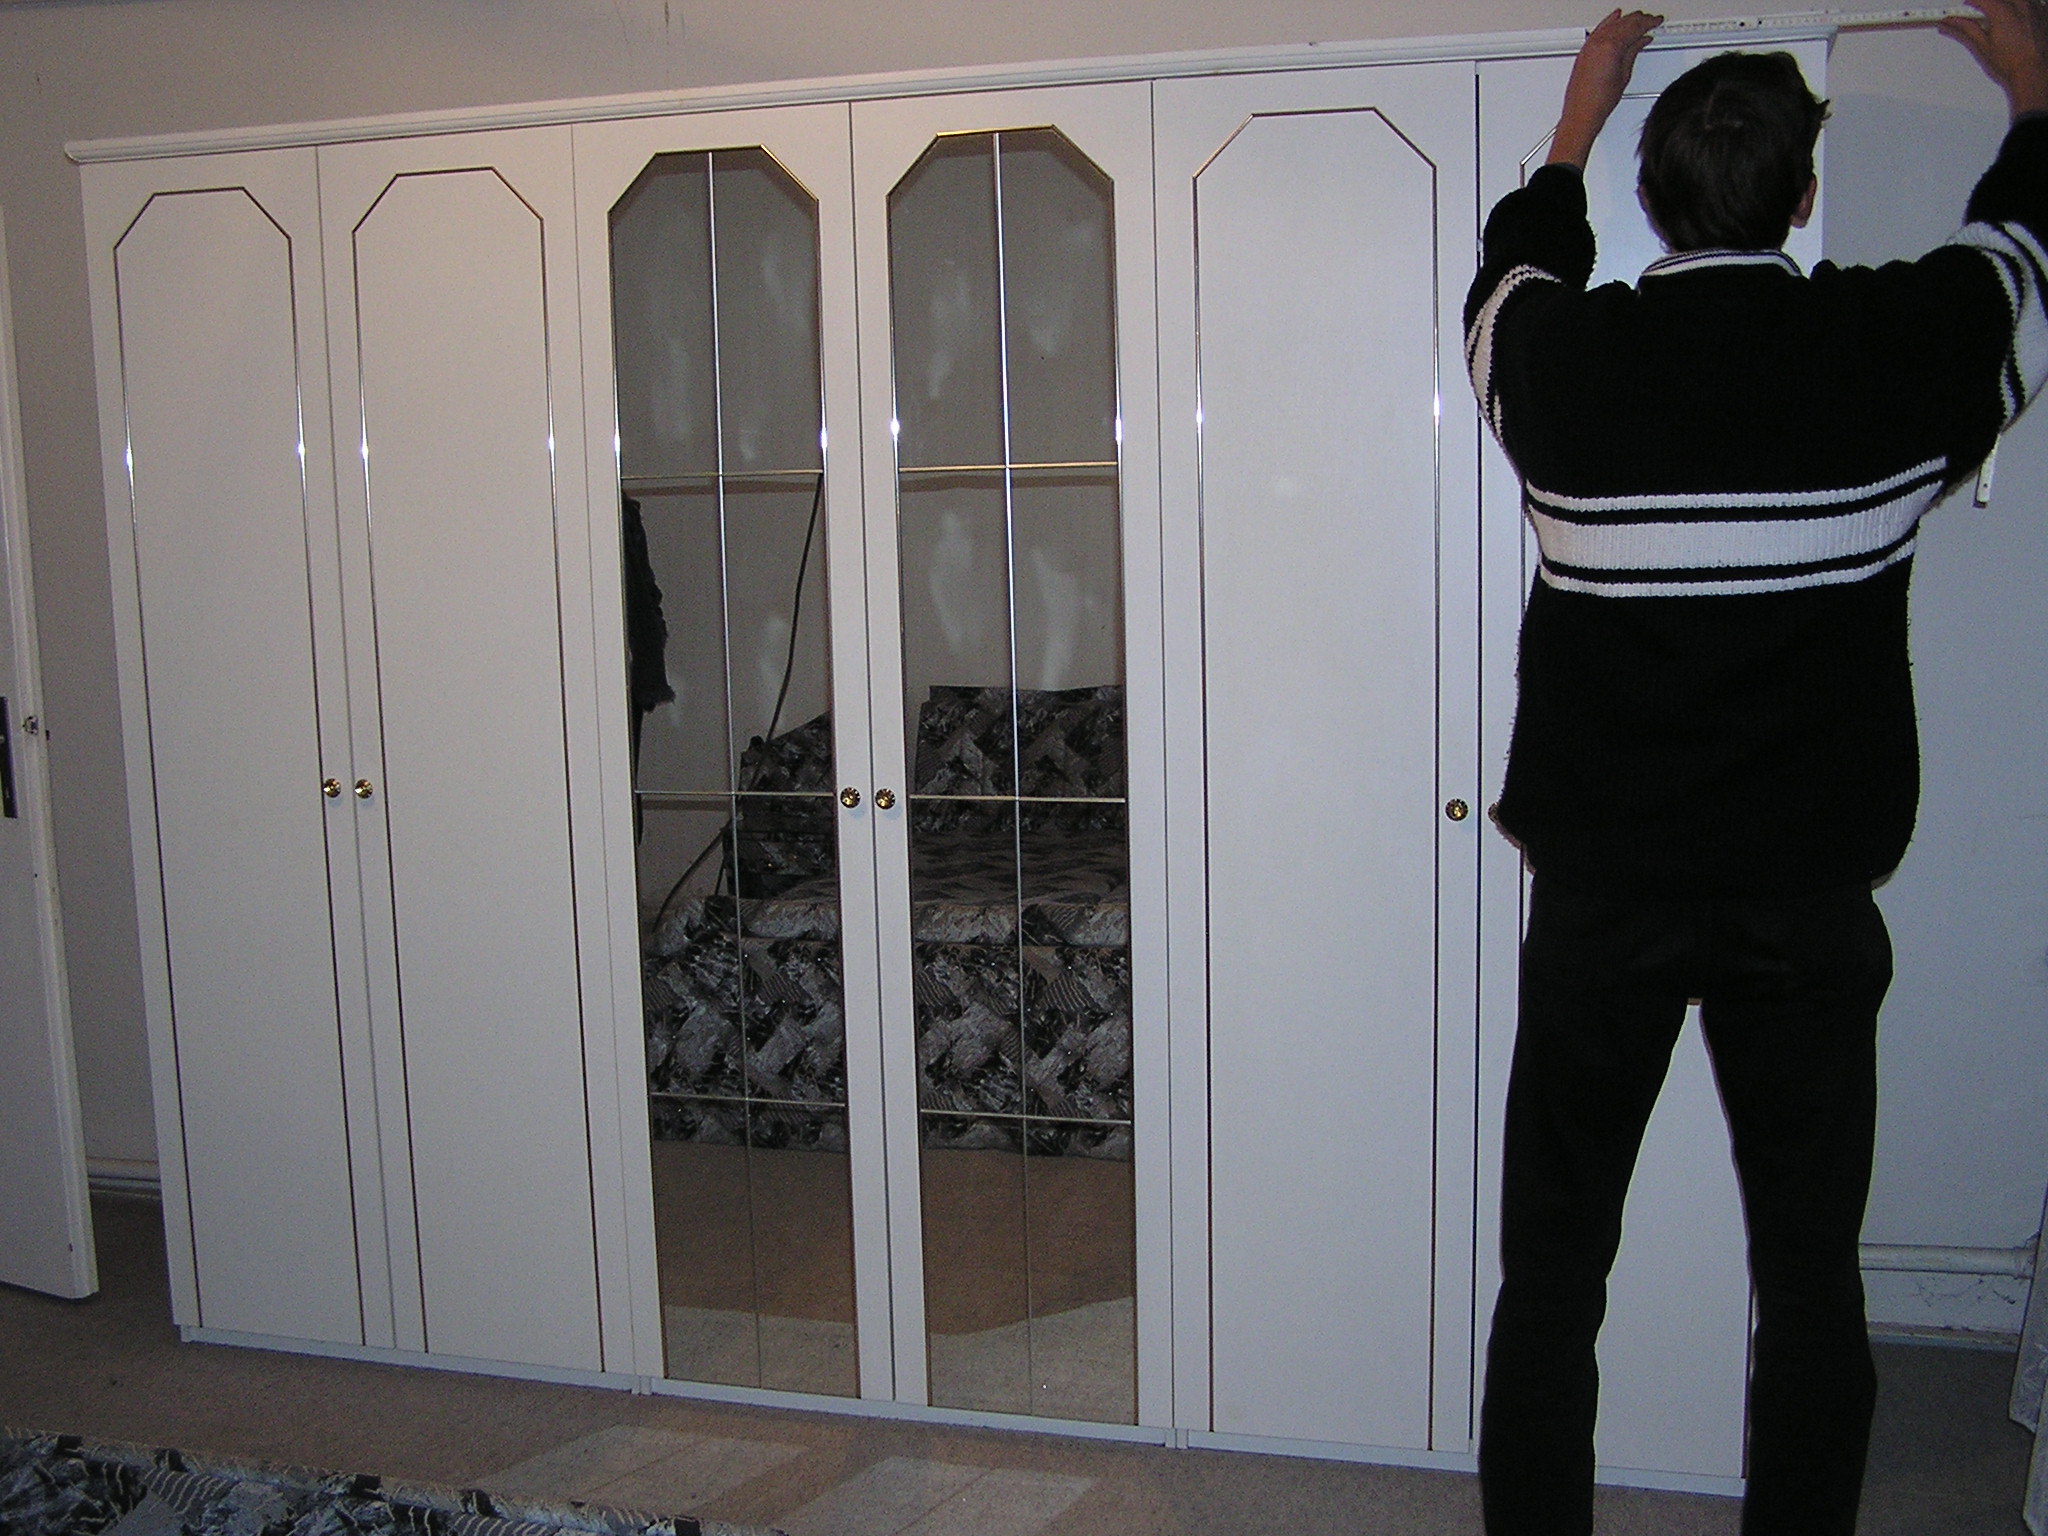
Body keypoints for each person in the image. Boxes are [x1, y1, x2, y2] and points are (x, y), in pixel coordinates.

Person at [1463, 2, 2048, 1531]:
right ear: (1803, 198)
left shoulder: (1565, 366)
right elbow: (2024, 257)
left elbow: (1508, 278)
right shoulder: (1887, 353)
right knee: (1809, 1283)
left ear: (1651, 197)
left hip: (1605, 907)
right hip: (1805, 911)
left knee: (1553, 1274)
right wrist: (2031, 86)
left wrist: (1579, 113)